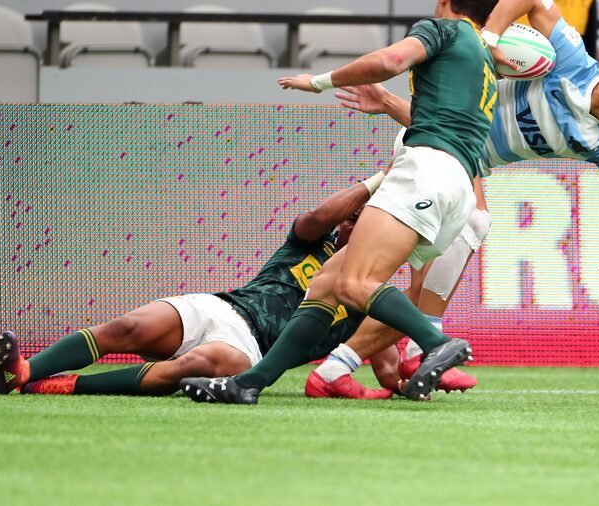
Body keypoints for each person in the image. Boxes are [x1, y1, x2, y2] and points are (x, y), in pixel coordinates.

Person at [305, 0, 599, 398]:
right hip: (441, 156)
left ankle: (336, 357)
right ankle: (416, 349)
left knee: (366, 280)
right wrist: (488, 38)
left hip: (458, 160)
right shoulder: (569, 60)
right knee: (470, 227)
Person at [179, 0, 500, 405]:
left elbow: (393, 59)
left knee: (354, 284)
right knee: (327, 284)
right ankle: (249, 383)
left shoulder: (444, 30)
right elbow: (445, 116)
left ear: (444, 3)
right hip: (459, 185)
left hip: (425, 171)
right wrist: (386, 104)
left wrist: (320, 82)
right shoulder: (483, 55)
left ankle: (435, 342)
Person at [0, 174, 397, 399]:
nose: (351, 224)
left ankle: (69, 384)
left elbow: (385, 362)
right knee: (126, 328)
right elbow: (319, 215)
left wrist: (399, 383)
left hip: (251, 350)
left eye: (362, 221)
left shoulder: (367, 293)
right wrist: (382, 178)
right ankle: (22, 371)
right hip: (220, 307)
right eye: (350, 218)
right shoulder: (309, 240)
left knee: (193, 367)